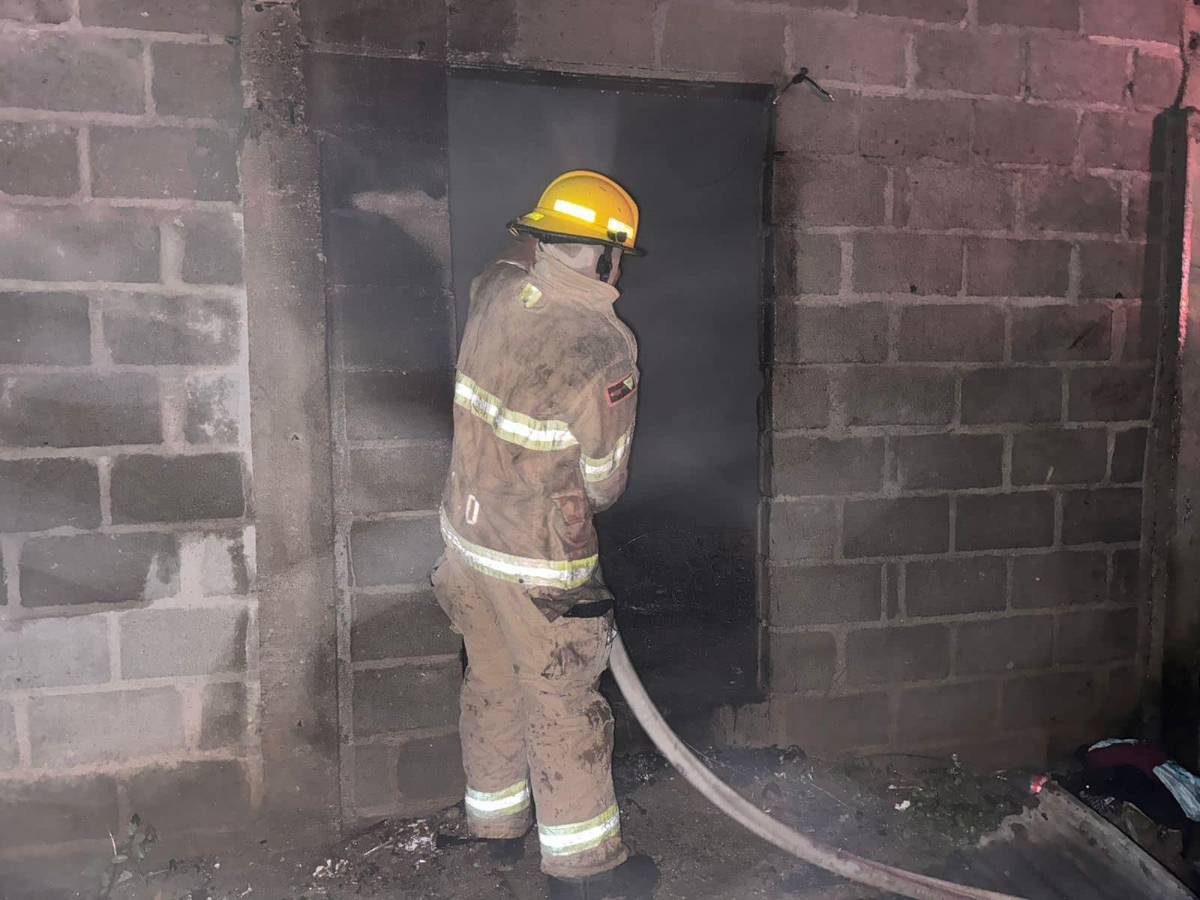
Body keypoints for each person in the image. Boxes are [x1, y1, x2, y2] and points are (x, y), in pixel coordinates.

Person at [432, 171, 659, 899]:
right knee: (563, 702)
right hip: (536, 559)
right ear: (605, 256)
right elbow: (603, 481)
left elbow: (504, 265)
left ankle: (493, 826)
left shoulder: (495, 291)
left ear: (535, 237)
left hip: (464, 539)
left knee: (490, 678)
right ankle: (585, 872)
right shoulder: (601, 348)